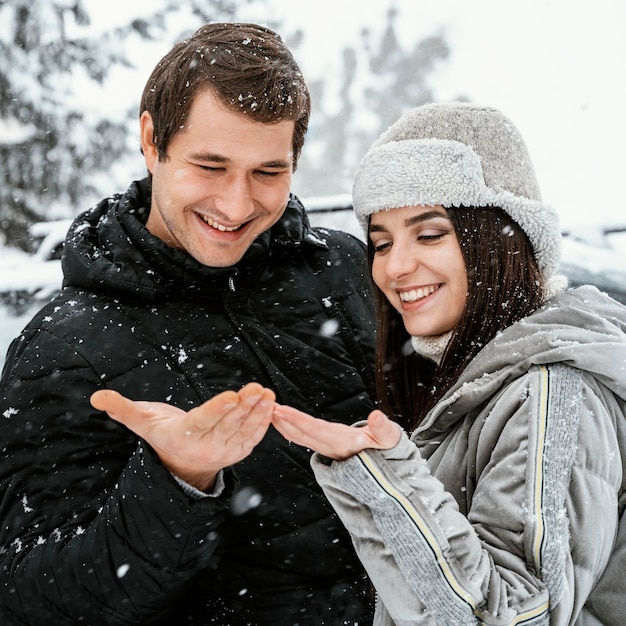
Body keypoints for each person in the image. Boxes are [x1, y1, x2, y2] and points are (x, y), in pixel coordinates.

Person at [0, 23, 377, 625]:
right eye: (210, 165)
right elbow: (31, 599)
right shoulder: (63, 346)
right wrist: (179, 479)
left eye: (268, 172)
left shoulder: (345, 268)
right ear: (152, 141)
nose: (236, 204)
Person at [272, 102, 626, 625]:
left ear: (503, 235)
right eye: (381, 242)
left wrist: (386, 480)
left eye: (430, 233)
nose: (395, 266)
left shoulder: (548, 395)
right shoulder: (475, 383)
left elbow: (516, 616)